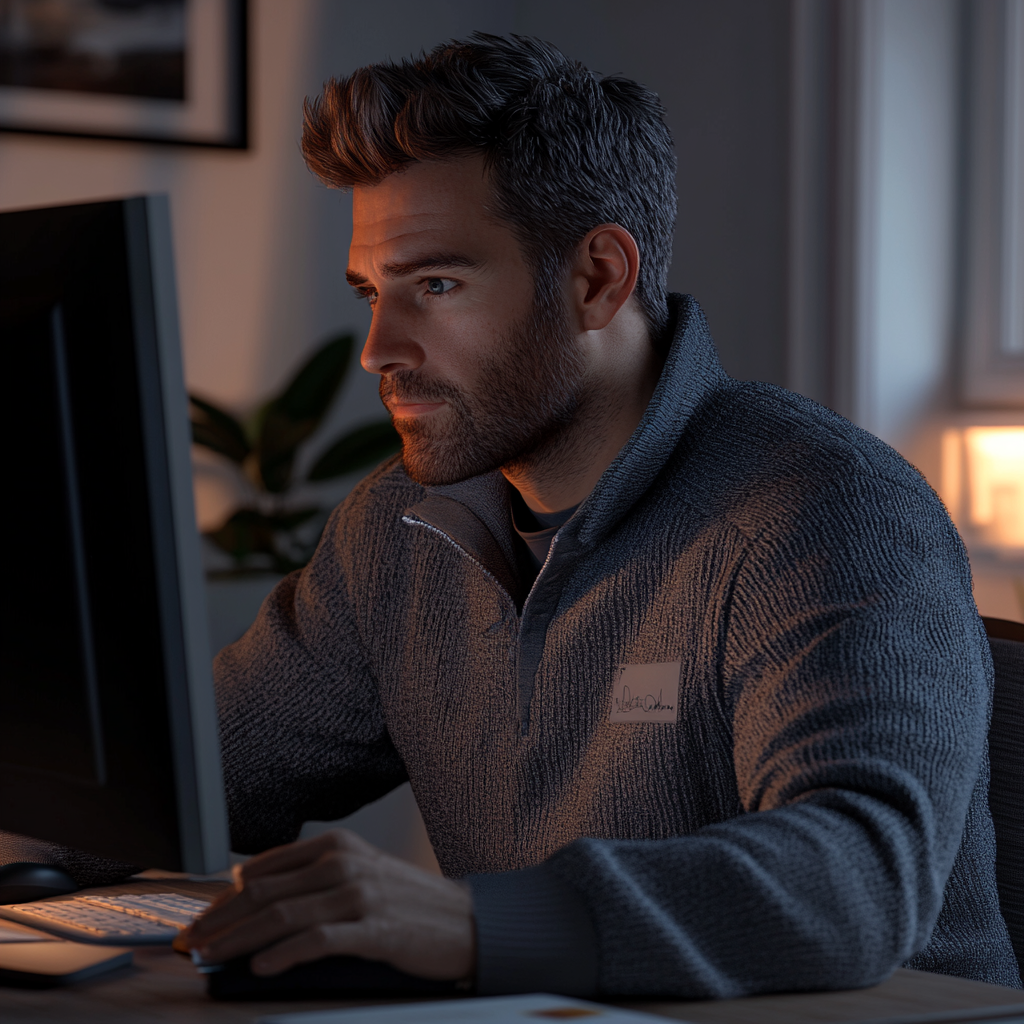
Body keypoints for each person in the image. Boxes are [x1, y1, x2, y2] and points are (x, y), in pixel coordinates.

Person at [14, 32, 1021, 996]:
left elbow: (855, 876)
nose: (377, 347)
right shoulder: (399, 530)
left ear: (596, 278)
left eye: (435, 284)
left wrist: (463, 925)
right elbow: (188, 783)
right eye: (371, 290)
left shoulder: (821, 510)